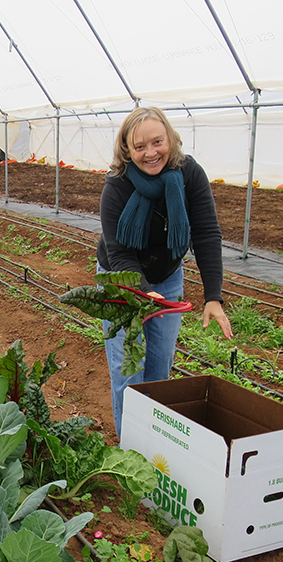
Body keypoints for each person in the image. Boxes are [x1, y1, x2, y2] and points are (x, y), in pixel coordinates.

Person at [97, 107, 233, 440]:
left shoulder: (189, 176)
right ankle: (130, 450)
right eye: (140, 146)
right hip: (123, 279)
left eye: (157, 142)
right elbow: (120, 252)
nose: (151, 152)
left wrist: (213, 295)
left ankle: (155, 443)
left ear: (169, 139)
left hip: (168, 275)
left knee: (159, 367)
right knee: (128, 368)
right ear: (127, 150)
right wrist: (143, 292)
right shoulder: (117, 186)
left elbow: (205, 233)